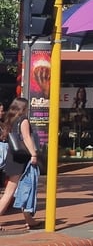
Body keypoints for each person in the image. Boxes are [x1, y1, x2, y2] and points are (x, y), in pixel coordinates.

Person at [0, 97, 41, 231]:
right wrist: (34, 154)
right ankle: (29, 219)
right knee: (11, 191)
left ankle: (29, 220)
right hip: (21, 159)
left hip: (13, 157)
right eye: (27, 106)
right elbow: (26, 138)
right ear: (23, 107)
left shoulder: (11, 119)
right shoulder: (23, 120)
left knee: (23, 189)